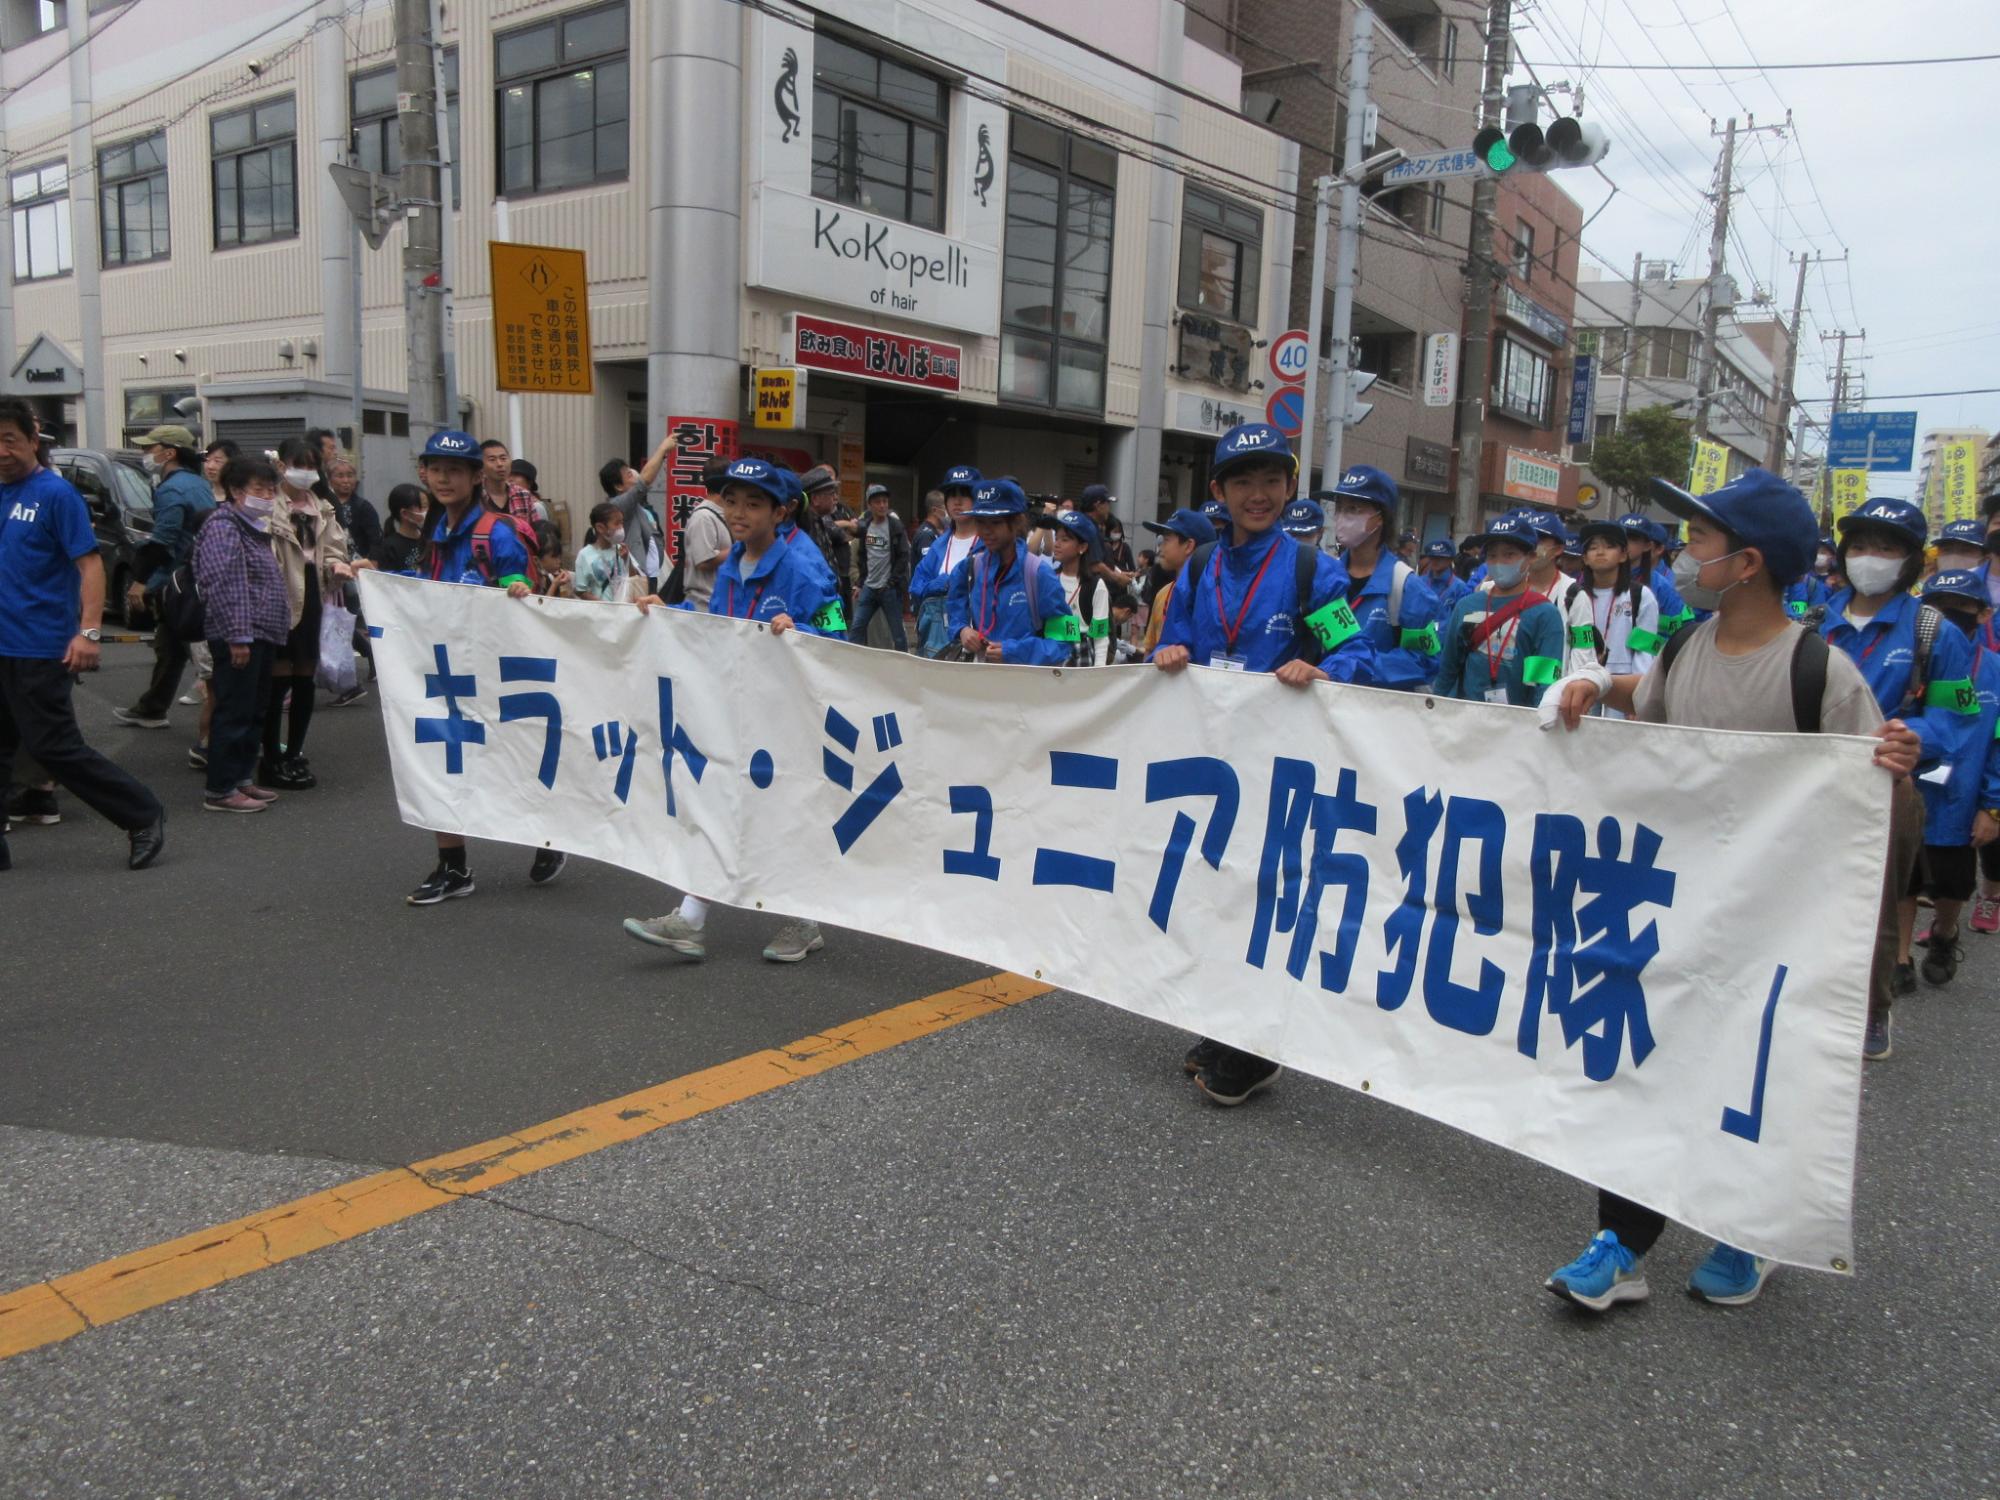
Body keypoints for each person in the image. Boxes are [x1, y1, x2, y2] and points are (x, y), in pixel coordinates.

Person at [1544, 469, 1919, 1311]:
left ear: (1746, 563)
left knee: (1749, 1074)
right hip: (1676, 905)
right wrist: (1600, 683)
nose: (1682, 555)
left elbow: (1871, 803)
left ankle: (1747, 1232)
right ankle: (1624, 1241)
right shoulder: (1683, 645)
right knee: (1641, 1060)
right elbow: (1656, 723)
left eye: (1701, 541)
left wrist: (1895, 768)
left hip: (1775, 923)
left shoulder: (1823, 673)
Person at [1151, 422, 1377, 1108]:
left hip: (1279, 770)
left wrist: (1322, 664)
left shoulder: (1312, 570)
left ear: (1288, 488)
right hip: (1211, 766)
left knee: (1261, 900)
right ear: (1218, 491)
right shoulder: (1197, 567)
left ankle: (1256, 1047)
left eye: (1272, 481)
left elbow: (1354, 655)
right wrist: (1168, 655)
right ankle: (1223, 1027)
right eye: (1243, 481)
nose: (1260, 494)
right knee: (1213, 893)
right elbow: (1176, 642)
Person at [622, 456, 845, 963]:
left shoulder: (802, 564)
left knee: (785, 810)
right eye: (731, 501)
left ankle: (803, 916)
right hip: (736, 708)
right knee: (721, 800)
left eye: (753, 503)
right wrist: (670, 612)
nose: (738, 512)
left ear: (782, 510)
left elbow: (838, 633)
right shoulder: (733, 562)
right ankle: (691, 918)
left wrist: (803, 631)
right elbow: (714, 625)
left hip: (789, 714)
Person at [1825, 496, 1979, 1038]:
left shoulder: (1936, 631)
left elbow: (1959, 717)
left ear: (1913, 560)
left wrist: (1916, 738)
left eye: (1886, 549)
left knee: (1881, 902)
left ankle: (1872, 1009)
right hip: (1812, 786)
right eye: (1860, 547)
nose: (1870, 559)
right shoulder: (1811, 620)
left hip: (1889, 787)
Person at [0, 397, 165, 872]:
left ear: (33, 440)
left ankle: (142, 813)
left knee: (54, 747)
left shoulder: (55, 494)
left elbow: (90, 564)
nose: (2, 451)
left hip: (40, 645)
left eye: (10, 440)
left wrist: (88, 632)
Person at [403, 429, 567, 904]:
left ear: (476, 476)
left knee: (514, 759)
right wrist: (372, 576)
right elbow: (417, 587)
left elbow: (520, 581)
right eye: (435, 470)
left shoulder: (497, 531)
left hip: (498, 670)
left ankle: (549, 836)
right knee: (442, 759)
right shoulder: (434, 532)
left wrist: (515, 587)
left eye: (454, 470)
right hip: (447, 668)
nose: (444, 478)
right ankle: (453, 868)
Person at [1901, 569, 2000, 988]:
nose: (1947, 615)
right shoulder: (1912, 657)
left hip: (1962, 799)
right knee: (1903, 878)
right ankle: (1900, 959)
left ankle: (1944, 933)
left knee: (1953, 885)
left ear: (1982, 614)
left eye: (1959, 607)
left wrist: (1993, 806)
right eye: (1938, 605)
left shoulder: (1994, 670)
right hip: (1909, 790)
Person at [193, 454, 290, 814]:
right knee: (234, 711)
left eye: (270, 489)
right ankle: (220, 788)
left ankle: (241, 778)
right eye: (258, 489)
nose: (266, 495)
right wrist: (238, 636)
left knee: (254, 709)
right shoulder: (224, 526)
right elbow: (225, 584)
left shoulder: (251, 526)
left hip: (261, 633)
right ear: (235, 491)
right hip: (239, 635)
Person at [258, 437, 355, 791]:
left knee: (304, 675)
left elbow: (333, 549)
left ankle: (294, 752)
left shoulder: (323, 507)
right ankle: (271, 757)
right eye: (300, 465)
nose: (306, 473)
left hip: (312, 595)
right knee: (277, 676)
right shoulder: (269, 504)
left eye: (312, 466)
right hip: (278, 595)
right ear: (281, 464)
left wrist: (337, 566)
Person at [112, 423, 214, 731]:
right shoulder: (199, 483)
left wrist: (141, 583)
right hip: (196, 574)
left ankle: (218, 732)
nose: (144, 454)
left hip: (178, 581)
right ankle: (152, 708)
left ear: (169, 453)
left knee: (202, 658)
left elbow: (163, 541)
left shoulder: (171, 489)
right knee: (170, 645)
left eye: (149, 448)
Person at [1322, 466, 1441, 691]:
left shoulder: (1406, 586)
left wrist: (1353, 669)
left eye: (1353, 509)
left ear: (1380, 518)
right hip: (1326, 708)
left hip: (1380, 714)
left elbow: (1425, 660)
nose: (1341, 517)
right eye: (1339, 508)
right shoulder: (1324, 578)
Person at [1432, 516, 1567, 705]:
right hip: (1465, 719)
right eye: (1492, 555)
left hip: (1517, 723)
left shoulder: (1545, 614)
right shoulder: (1466, 606)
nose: (1499, 562)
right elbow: (1448, 669)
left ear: (1531, 557)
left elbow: (1544, 682)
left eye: (1509, 554)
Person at [944, 479, 1077, 665]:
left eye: (996, 523)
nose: (986, 531)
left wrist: (1014, 651)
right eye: (981, 522)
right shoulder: (969, 568)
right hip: (979, 681)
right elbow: (953, 612)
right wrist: (962, 630)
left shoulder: (1040, 574)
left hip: (1026, 685)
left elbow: (1067, 640)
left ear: (1016, 522)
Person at [1570, 518, 1662, 704]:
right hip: (1579, 682)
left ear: (1623, 555)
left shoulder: (1641, 596)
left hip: (1622, 685)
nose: (1600, 552)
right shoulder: (1573, 595)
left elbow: (1644, 651)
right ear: (1585, 558)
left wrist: (1638, 696)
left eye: (1609, 546)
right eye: (1593, 548)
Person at [909, 465, 981, 657]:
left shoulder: (989, 543)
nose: (957, 501)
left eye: (965, 494)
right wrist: (934, 586)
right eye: (951, 494)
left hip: (980, 646)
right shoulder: (939, 546)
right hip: (939, 646)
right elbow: (915, 587)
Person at [1136, 508, 1216, 657]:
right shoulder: (1163, 594)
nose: (1160, 548)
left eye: (1166, 540)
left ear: (1188, 545)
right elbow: (1150, 649)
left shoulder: (1213, 597)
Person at [597, 434, 674, 587]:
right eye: (628, 474)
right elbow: (644, 481)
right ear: (618, 486)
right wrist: (662, 449)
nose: (634, 475)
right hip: (637, 577)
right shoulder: (618, 505)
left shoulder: (631, 504)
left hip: (648, 574)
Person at [848, 483, 912, 651]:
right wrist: (860, 582)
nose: (882, 505)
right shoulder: (866, 527)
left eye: (885, 501)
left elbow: (903, 556)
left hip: (888, 589)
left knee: (897, 633)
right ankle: (852, 660)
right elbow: (863, 556)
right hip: (869, 587)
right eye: (878, 502)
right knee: (857, 628)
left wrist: (892, 582)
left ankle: (903, 665)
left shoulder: (895, 526)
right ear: (870, 505)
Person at [1045, 508, 1112, 665]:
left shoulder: (1096, 585)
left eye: (1065, 539)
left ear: (1082, 547)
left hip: (1081, 655)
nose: (1057, 544)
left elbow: (1100, 638)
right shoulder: (1048, 579)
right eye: (1057, 538)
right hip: (1050, 651)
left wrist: (1097, 673)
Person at [1620, 514, 1694, 641]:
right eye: (1620, 536)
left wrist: (1638, 646)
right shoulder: (1597, 578)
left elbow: (1680, 634)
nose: (1624, 543)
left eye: (1633, 538)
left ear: (1648, 546)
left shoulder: (1663, 586)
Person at [799, 464, 856, 615]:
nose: (835, 497)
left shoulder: (821, 520)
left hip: (830, 597)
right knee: (826, 636)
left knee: (836, 635)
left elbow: (851, 535)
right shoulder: (804, 528)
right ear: (815, 499)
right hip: (818, 602)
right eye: (831, 493)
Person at [479, 438, 546, 541]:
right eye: (492, 460)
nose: (500, 464)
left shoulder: (523, 495)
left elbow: (535, 533)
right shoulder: (474, 496)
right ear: (481, 465)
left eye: (503, 458)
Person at [572, 501, 637, 601]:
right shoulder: (584, 555)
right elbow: (581, 590)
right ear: (600, 528)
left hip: (623, 611)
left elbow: (634, 579)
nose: (621, 528)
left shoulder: (621, 550)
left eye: (622, 523)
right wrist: (603, 605)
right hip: (599, 613)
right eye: (616, 523)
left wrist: (627, 559)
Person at [324, 451, 382, 560]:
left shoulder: (364, 507)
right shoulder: (323, 504)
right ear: (329, 480)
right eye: (340, 476)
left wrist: (373, 562)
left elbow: (376, 540)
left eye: (350, 476)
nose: (346, 481)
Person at [370, 483, 432, 576]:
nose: (428, 511)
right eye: (423, 507)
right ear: (405, 513)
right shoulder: (387, 547)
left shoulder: (430, 540)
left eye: (428, 506)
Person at [1418, 538, 1470, 615]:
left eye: (1440, 558)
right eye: (1432, 557)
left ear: (1450, 559)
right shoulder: (1419, 582)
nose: (1435, 561)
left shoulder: (1459, 587)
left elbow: (1462, 616)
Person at [913, 492, 946, 557]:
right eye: (945, 508)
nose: (947, 512)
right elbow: (928, 565)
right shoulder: (926, 535)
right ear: (934, 510)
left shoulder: (936, 531)